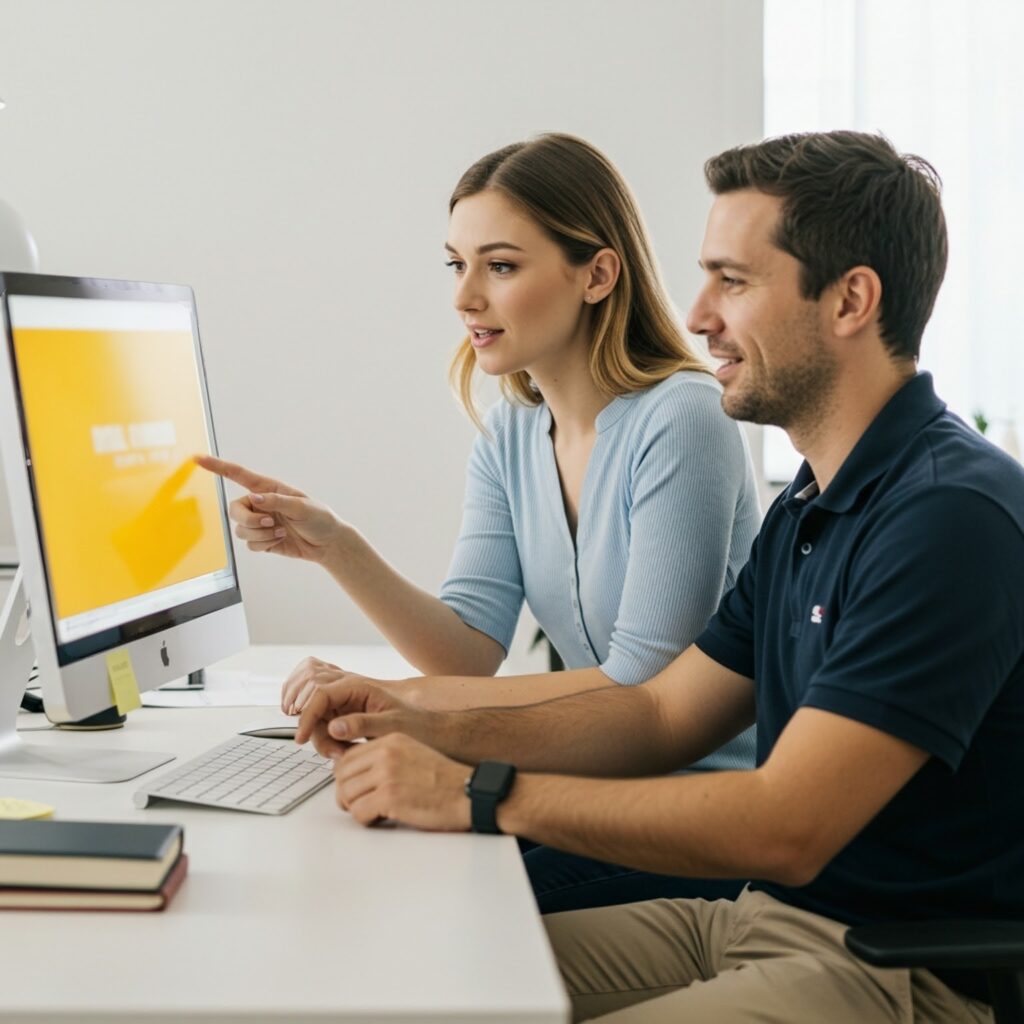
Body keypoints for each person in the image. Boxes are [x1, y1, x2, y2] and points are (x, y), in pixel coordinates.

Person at [292, 130, 1023, 1023]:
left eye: (735, 281)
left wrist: (476, 790)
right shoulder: (809, 507)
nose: (699, 313)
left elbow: (785, 826)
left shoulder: (949, 515)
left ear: (850, 301)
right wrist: (421, 717)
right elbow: (658, 713)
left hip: (889, 970)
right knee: (409, 976)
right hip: (765, 920)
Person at [198, 133, 761, 912]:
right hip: (578, 789)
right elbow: (464, 652)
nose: (465, 297)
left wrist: (401, 702)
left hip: (686, 818)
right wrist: (336, 547)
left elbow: (642, 686)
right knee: (369, 870)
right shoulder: (513, 431)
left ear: (597, 274)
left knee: (435, 911)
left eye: (499, 266)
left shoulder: (682, 421)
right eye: (456, 265)